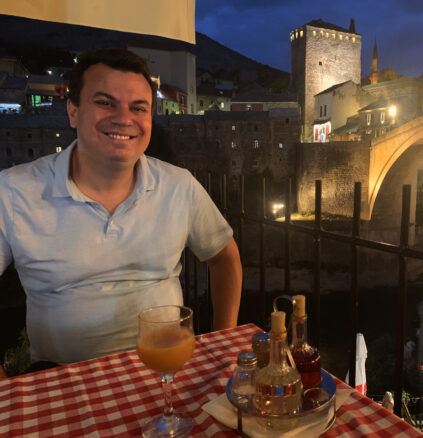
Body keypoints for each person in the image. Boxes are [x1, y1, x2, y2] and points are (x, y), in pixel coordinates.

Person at [0, 48, 242, 366]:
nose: (124, 118)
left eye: (138, 107)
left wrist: (221, 344)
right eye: (104, 102)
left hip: (168, 366)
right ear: (72, 110)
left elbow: (225, 258)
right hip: (63, 380)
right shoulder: (14, 191)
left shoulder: (178, 185)